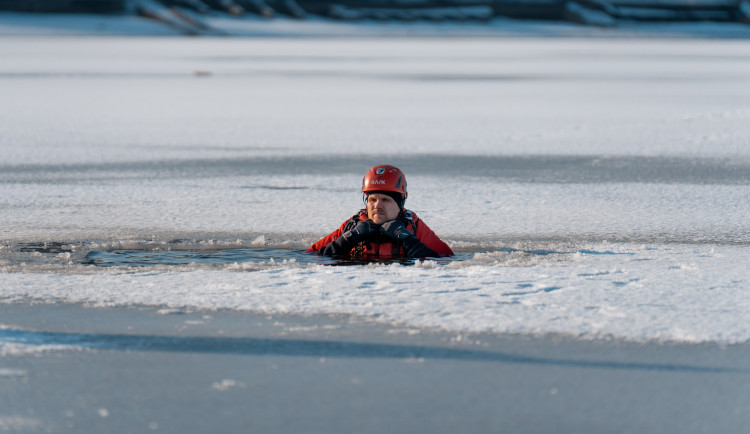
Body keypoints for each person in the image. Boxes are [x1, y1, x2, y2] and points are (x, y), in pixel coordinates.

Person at [308, 164, 453, 260]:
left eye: (385, 200)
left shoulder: (414, 227)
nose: (377, 206)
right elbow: (312, 256)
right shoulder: (353, 225)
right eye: (372, 200)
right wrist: (349, 238)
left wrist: (407, 239)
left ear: (400, 203)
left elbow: (446, 261)